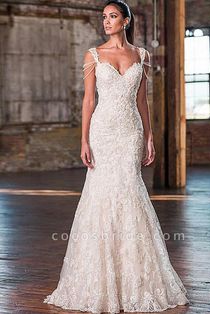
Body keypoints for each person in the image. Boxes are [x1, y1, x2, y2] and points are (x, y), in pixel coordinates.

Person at [43, 0, 190, 313]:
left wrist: (149, 136)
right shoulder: (94, 55)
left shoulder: (142, 55)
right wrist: (83, 139)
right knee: (102, 194)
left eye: (112, 17)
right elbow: (88, 101)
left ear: (126, 21)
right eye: (104, 17)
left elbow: (142, 100)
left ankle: (135, 277)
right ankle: (100, 278)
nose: (106, 22)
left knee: (130, 192)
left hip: (130, 133)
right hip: (103, 131)